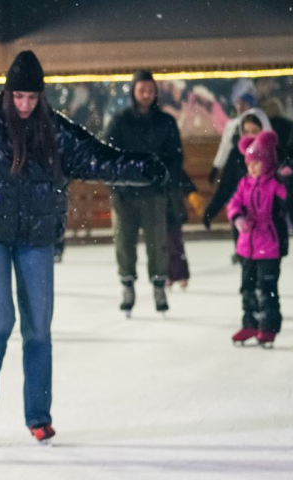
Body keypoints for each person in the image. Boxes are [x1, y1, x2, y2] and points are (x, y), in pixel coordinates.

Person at [0, 51, 166, 443]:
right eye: (18, 97)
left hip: (37, 238)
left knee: (38, 329)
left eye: (31, 98)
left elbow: (99, 159)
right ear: (7, 94)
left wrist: (142, 168)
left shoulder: (55, 132)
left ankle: (38, 414)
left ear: (40, 97)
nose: (24, 105)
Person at [105, 70, 183, 316]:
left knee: (157, 242)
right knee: (124, 243)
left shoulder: (165, 122)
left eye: (151, 90)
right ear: (134, 91)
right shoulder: (120, 121)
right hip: (125, 195)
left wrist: (164, 180)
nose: (147, 95)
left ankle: (159, 286)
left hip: (154, 194)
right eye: (142, 90)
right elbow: (109, 155)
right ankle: (127, 286)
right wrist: (118, 183)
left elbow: (175, 157)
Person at [225, 131, 288, 348]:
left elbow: (289, 199)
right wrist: (238, 218)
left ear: (267, 162)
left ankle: (268, 327)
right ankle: (250, 323)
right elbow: (233, 203)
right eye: (249, 163)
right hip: (247, 246)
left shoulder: (274, 184)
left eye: (257, 163)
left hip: (269, 245)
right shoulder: (245, 184)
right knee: (247, 287)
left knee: (266, 287)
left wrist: (288, 180)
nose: (252, 168)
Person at [203, 110, 270, 259]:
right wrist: (211, 211)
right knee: (247, 269)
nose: (251, 136)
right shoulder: (237, 154)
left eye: (255, 131)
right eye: (246, 132)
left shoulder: (273, 152)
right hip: (244, 220)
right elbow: (226, 185)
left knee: (266, 273)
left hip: (268, 225)